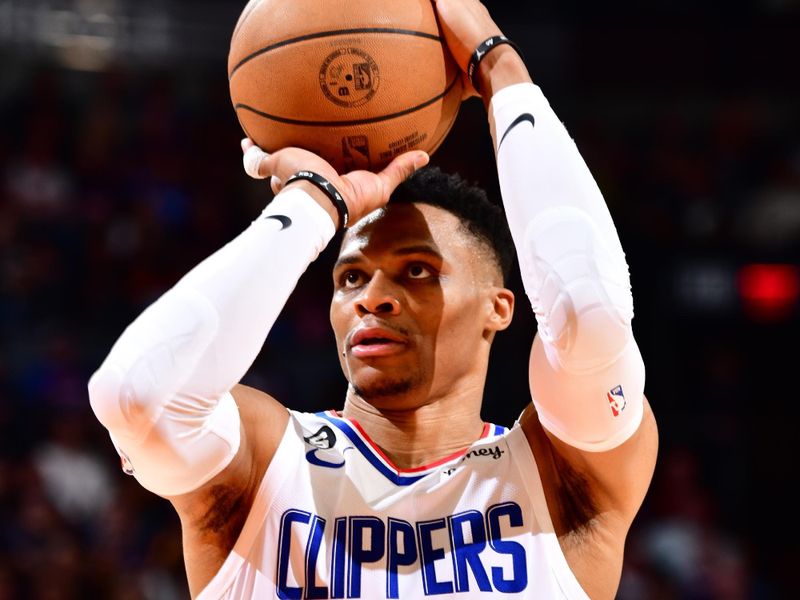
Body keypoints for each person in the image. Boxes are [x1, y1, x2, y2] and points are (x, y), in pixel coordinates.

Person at [88, 0, 658, 598]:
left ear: (500, 307)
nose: (374, 298)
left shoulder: (561, 477)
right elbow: (136, 395)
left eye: (417, 270)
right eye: (351, 278)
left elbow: (587, 314)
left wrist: (499, 67)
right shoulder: (266, 465)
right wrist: (313, 202)